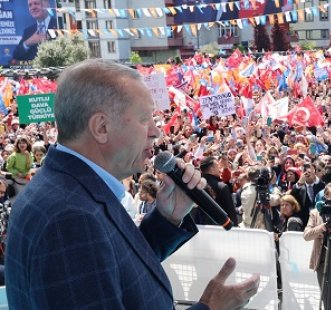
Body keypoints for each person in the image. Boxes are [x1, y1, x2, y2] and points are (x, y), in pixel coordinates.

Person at [5, 59, 259, 309]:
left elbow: (114, 268)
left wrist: (167, 218)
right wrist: (210, 308)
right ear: (101, 127)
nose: (155, 131)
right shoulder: (69, 218)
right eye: (144, 118)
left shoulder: (67, 188)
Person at [196, 156, 238, 226]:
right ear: (212, 169)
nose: (220, 169)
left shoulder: (195, 184)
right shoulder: (222, 187)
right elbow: (231, 214)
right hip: (219, 229)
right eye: (218, 166)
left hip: (199, 226)